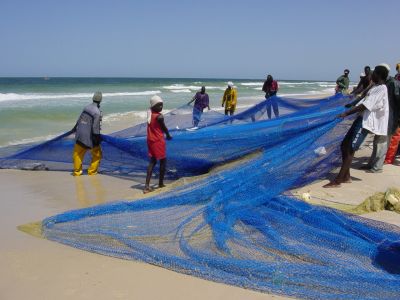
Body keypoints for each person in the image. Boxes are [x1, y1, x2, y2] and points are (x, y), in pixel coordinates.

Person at [324, 65, 389, 188]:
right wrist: (350, 105)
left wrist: (346, 113)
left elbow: (366, 105)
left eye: (374, 73)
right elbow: (363, 100)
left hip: (366, 122)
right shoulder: (375, 87)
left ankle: (338, 180)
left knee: (350, 149)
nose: (371, 75)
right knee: (344, 145)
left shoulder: (382, 89)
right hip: (361, 118)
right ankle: (346, 176)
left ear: (379, 75)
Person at [144, 95, 172, 194]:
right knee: (163, 161)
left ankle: (147, 186)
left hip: (150, 140)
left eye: (162, 105)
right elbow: (164, 128)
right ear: (154, 106)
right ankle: (160, 183)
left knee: (152, 162)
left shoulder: (150, 113)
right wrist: (168, 135)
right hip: (158, 141)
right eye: (159, 105)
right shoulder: (159, 117)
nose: (161, 107)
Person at [72, 92, 103, 176]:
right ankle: (92, 171)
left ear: (92, 99)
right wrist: (97, 140)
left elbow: (79, 120)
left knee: (78, 154)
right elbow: (95, 128)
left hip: (79, 135)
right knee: (97, 155)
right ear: (100, 101)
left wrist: (74, 130)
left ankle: (77, 172)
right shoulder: (97, 112)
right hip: (89, 138)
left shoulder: (86, 107)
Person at [385, 63, 400, 164]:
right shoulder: (395, 80)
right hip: (396, 111)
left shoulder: (395, 80)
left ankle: (389, 158)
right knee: (395, 135)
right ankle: (389, 157)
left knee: (396, 135)